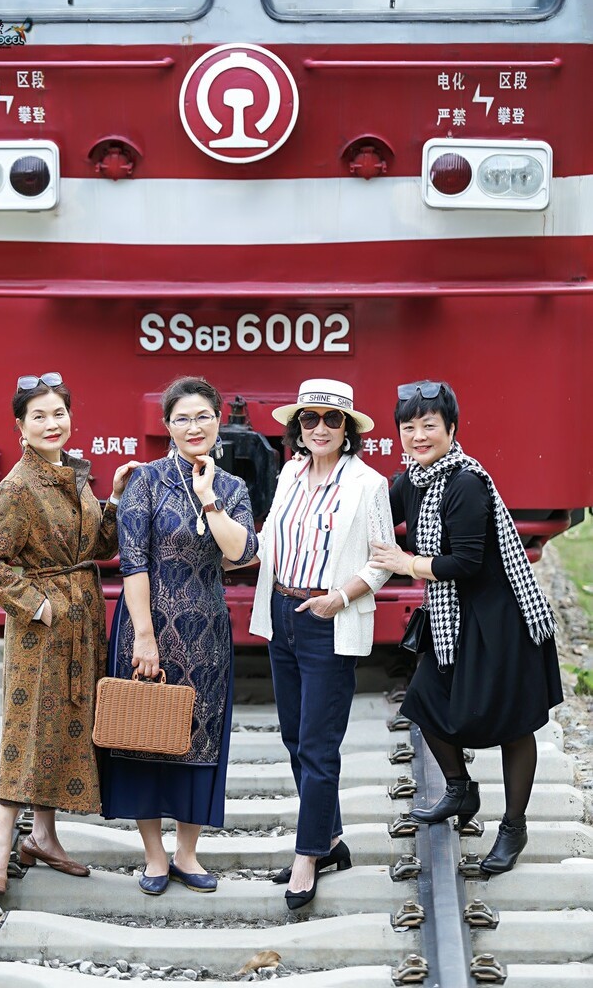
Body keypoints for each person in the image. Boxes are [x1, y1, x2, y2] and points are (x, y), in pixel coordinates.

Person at [370, 380, 563, 874]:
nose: (418, 436)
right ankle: (460, 790)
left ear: (451, 429)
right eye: (408, 427)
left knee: (513, 725)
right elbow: (374, 514)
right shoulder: (413, 480)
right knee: (424, 702)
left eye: (428, 425)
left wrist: (407, 563)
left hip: (499, 619)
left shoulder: (465, 482)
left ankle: (514, 827)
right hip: (453, 615)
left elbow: (467, 563)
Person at [0, 372, 138, 894]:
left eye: (58, 413)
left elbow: (100, 548)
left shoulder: (74, 474)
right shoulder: (18, 486)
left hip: (82, 622)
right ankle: (1, 838)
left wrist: (114, 499)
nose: (51, 423)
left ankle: (43, 836)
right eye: (38, 416)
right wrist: (39, 606)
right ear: (19, 426)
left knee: (66, 723)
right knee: (29, 729)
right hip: (41, 632)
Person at [100, 376, 258, 896]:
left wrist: (209, 499)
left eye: (203, 417)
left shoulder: (232, 488)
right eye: (182, 418)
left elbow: (241, 552)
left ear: (218, 421)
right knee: (140, 735)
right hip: (146, 625)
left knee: (199, 738)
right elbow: (134, 562)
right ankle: (153, 855)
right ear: (167, 426)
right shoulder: (145, 480)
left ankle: (187, 854)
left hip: (207, 633)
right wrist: (144, 637)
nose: (194, 427)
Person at [249, 378, 395, 909]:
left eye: (332, 419)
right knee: (295, 738)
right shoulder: (289, 473)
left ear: (348, 428)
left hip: (329, 619)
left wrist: (339, 597)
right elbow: (268, 540)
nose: (320, 428)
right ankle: (330, 840)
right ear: (298, 427)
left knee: (318, 744)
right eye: (309, 419)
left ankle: (306, 855)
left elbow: (383, 560)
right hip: (283, 612)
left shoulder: (368, 484)